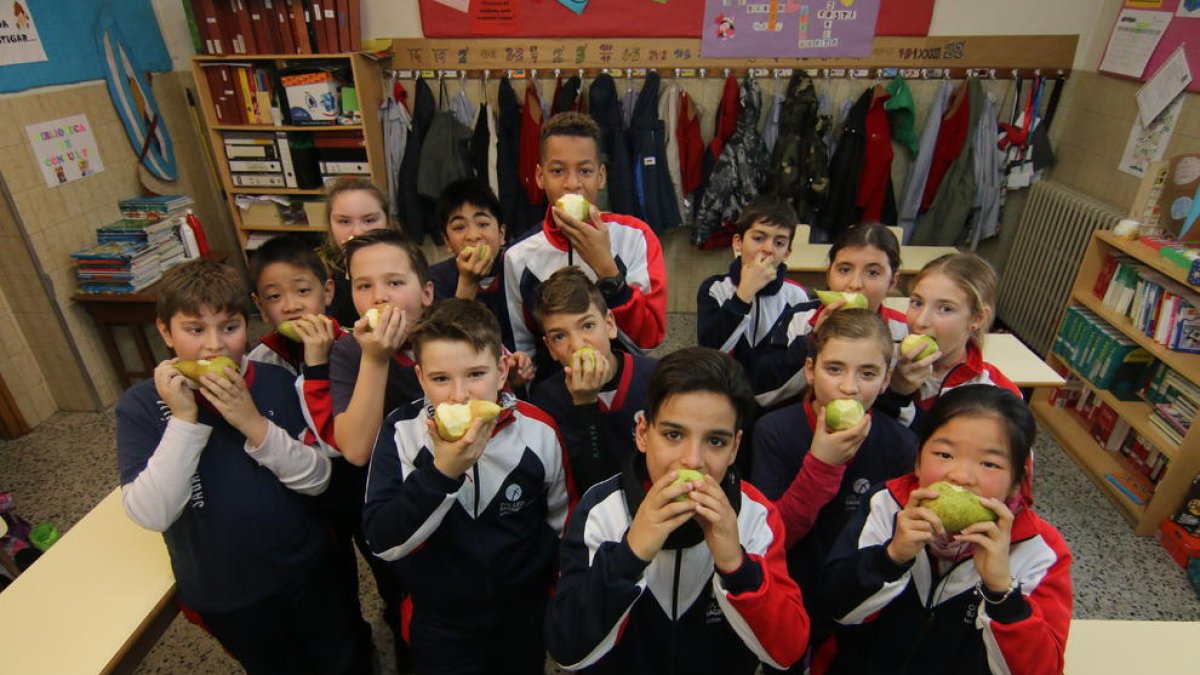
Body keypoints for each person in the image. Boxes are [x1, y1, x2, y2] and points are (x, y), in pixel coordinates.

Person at [116, 259, 369, 674]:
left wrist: (253, 424)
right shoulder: (141, 406)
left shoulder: (274, 381)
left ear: (246, 327)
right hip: (225, 588)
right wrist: (184, 420)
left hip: (306, 568)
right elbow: (151, 512)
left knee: (341, 658)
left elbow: (319, 478)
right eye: (195, 330)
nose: (214, 346)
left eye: (229, 328)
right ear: (165, 331)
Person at [545, 347, 809, 674]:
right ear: (643, 433)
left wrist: (737, 568)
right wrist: (630, 554)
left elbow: (787, 652)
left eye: (715, 441)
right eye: (673, 434)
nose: (693, 460)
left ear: (735, 448)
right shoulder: (601, 510)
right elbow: (567, 648)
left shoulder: (755, 515)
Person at [363, 299, 571, 675]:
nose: (460, 395)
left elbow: (562, 522)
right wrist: (442, 473)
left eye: (476, 374)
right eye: (441, 379)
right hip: (441, 622)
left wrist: (553, 597)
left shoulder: (540, 431)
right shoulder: (401, 433)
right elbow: (383, 541)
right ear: (421, 377)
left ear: (502, 370)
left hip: (523, 615)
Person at [820, 385, 1072, 675]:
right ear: (917, 460)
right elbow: (836, 609)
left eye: (989, 463)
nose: (960, 476)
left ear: (1017, 481)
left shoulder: (1039, 550)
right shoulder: (886, 505)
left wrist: (1002, 591)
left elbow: (1041, 670)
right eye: (944, 454)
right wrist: (891, 559)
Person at [750, 309, 917, 671]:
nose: (849, 387)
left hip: (857, 602)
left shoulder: (900, 445)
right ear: (810, 370)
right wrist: (821, 466)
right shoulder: (774, 432)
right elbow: (768, 537)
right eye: (834, 369)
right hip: (791, 592)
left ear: (887, 379)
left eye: (868, 373)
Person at [327, 228, 435, 670]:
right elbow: (354, 448)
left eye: (395, 282)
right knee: (403, 600)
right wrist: (376, 358)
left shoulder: (448, 334)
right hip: (390, 506)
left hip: (454, 492)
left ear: (426, 292)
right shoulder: (350, 352)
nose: (380, 297)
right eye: (364, 286)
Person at [504, 111, 667, 377]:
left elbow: (647, 341)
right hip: (556, 394)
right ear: (539, 176)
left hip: (625, 391)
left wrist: (607, 269)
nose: (572, 184)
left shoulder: (636, 236)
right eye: (557, 171)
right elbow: (524, 349)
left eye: (585, 170)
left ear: (601, 176)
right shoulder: (518, 256)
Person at [530, 266, 657, 494]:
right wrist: (584, 404)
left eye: (587, 326)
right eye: (559, 336)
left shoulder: (655, 377)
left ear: (609, 324)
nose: (578, 345)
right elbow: (590, 486)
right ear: (549, 347)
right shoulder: (547, 399)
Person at [876, 252, 1020, 430]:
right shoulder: (880, 360)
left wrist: (900, 397)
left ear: (977, 318)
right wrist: (894, 391)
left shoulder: (995, 393)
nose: (921, 321)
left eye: (945, 309)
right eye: (917, 303)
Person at [696, 196, 811, 407]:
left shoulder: (797, 296)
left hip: (777, 402)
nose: (768, 249)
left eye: (779, 243)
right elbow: (711, 350)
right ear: (738, 242)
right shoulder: (715, 289)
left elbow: (792, 364)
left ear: (787, 253)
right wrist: (744, 293)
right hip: (722, 399)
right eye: (759, 238)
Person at [430, 179, 534, 386]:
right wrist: (467, 283)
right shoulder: (435, 280)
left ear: (502, 233)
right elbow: (445, 342)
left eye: (483, 224)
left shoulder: (523, 267)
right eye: (459, 227)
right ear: (447, 242)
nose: (474, 236)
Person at [318, 176, 400, 328]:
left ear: (387, 222)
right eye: (344, 221)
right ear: (330, 225)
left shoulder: (407, 265)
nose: (357, 232)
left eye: (369, 220)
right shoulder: (319, 275)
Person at [818, 223, 908, 341]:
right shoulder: (800, 319)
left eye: (872, 273)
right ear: (828, 274)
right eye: (844, 270)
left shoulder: (906, 331)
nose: (855, 284)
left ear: (892, 282)